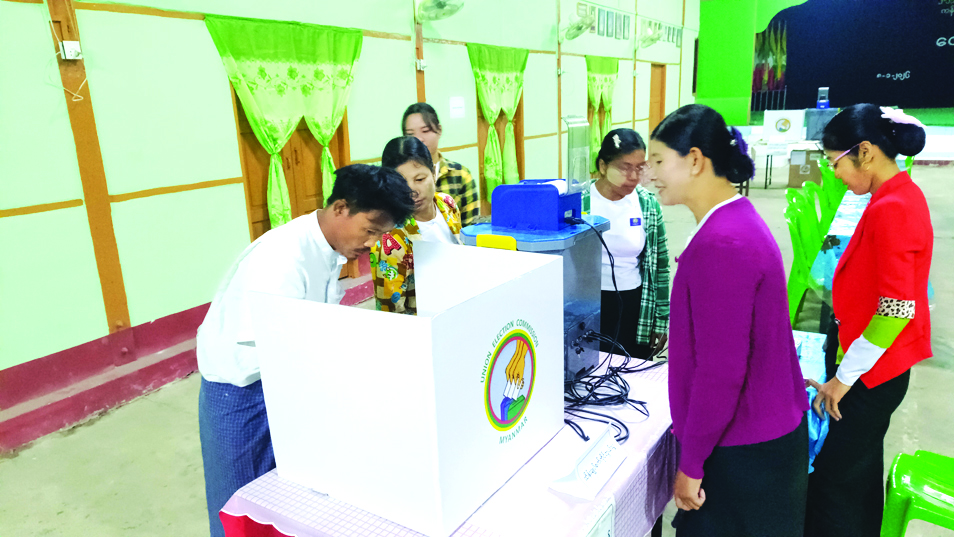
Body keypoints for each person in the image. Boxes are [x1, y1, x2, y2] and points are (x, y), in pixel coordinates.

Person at [195, 164, 415, 537]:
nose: (372, 244)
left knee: (280, 494)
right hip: (242, 390)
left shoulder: (328, 248)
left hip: (282, 381)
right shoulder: (281, 257)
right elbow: (279, 343)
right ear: (341, 208)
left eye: (381, 234)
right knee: (239, 500)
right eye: (370, 230)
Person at [649, 104, 809, 536]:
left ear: (695, 160)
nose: (650, 173)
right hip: (759, 434)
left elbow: (720, 372)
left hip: (744, 448)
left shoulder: (723, 243)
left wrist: (691, 463)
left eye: (659, 161)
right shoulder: (733, 220)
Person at [805, 105, 932, 537]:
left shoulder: (892, 207)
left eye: (834, 162)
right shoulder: (892, 196)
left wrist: (843, 379)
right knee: (856, 473)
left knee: (834, 481)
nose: (835, 174)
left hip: (874, 374)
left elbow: (896, 308)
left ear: (865, 152)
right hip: (873, 365)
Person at [589, 128, 670, 359]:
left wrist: (661, 320)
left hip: (634, 305)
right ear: (603, 166)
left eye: (639, 168)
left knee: (632, 370)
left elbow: (661, 265)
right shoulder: (580, 201)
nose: (633, 177)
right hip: (587, 305)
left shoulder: (647, 205)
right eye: (624, 168)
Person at [371, 136, 462, 315]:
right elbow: (391, 312)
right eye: (401, 183)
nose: (412, 191)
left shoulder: (447, 204)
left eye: (419, 179)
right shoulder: (389, 237)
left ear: (433, 173)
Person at [402, 102, 481, 226]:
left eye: (425, 131)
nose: (418, 139)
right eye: (410, 134)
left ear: (439, 130)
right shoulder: (396, 178)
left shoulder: (461, 175)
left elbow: (471, 227)